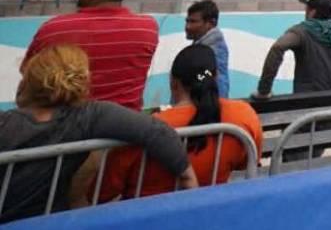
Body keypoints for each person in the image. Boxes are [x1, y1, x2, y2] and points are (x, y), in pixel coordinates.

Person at [0, 46, 196, 222]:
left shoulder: (6, 122)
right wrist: (189, 181)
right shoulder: (88, 116)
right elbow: (157, 132)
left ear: (29, 82)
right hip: (50, 220)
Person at [96, 45, 262, 201]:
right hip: (208, 214)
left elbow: (101, 192)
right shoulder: (243, 115)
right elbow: (246, 162)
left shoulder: (144, 129)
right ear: (216, 76)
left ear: (173, 83)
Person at [21, 0, 158, 110]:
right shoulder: (148, 28)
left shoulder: (55, 28)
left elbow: (29, 72)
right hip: (125, 124)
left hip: (66, 123)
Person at [185, 0, 230, 98]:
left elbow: (216, 80)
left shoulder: (213, 51)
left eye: (193, 21)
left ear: (211, 23)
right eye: (187, 21)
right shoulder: (201, 46)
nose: (187, 26)